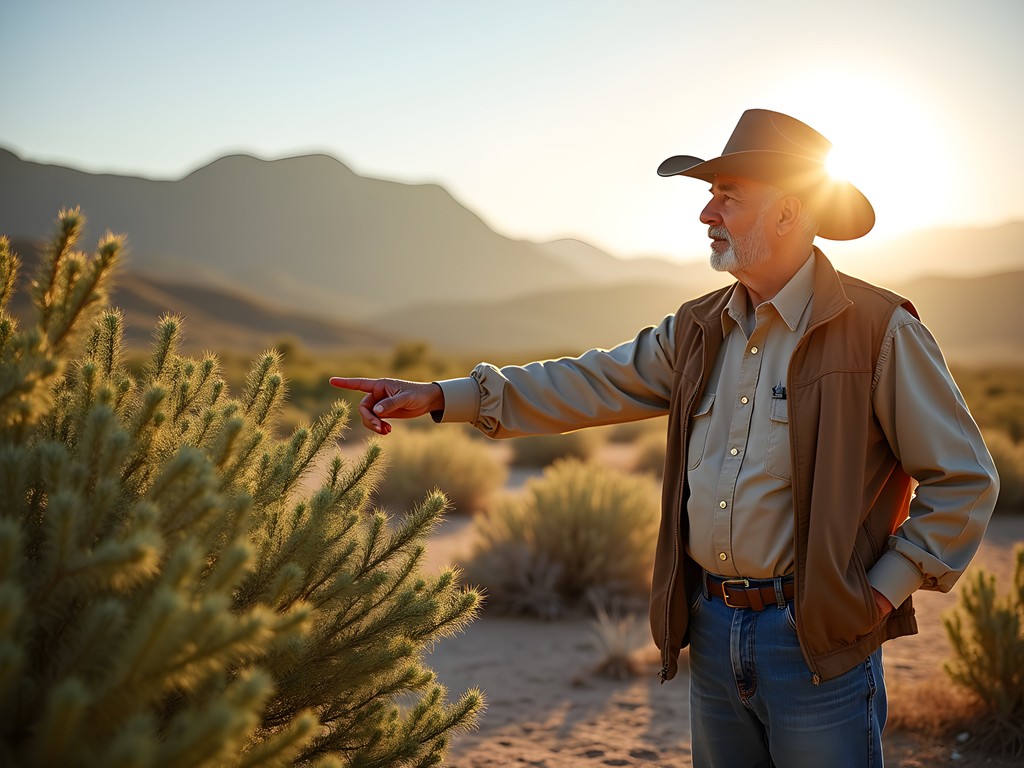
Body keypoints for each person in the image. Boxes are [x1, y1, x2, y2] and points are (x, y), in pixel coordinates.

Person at [329, 109, 999, 768]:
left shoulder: (880, 329)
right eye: (710, 196)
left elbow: (965, 477)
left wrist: (878, 593)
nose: (707, 214)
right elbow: (587, 381)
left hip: (820, 641)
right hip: (710, 628)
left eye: (727, 198)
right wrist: (447, 396)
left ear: (789, 214)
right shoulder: (698, 329)